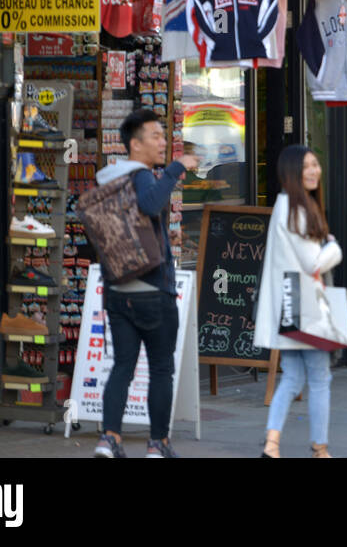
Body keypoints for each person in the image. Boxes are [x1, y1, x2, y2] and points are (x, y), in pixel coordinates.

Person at [93, 109, 198, 459]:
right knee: (161, 369)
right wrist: (176, 167)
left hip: (118, 291)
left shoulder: (107, 178)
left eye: (163, 135)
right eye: (155, 135)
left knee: (122, 365)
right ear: (134, 144)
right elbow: (152, 204)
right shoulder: (140, 176)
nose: (163, 142)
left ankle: (109, 438)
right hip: (153, 290)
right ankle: (157, 444)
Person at [254, 146, 341, 458]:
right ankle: (320, 449)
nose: (314, 170)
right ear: (292, 172)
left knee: (292, 376)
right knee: (320, 379)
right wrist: (333, 247)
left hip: (288, 302)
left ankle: (272, 443)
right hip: (306, 304)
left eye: (316, 164)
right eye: (306, 166)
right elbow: (312, 263)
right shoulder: (298, 211)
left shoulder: (284, 206)